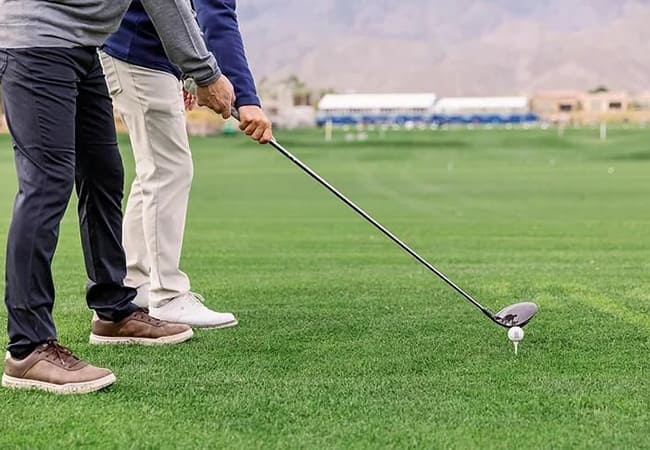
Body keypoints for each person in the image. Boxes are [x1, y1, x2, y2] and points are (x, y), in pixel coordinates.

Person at [0, 0, 236, 394]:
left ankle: (112, 309)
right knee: (46, 186)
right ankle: (28, 348)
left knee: (104, 173)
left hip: (82, 46)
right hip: (37, 43)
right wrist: (205, 73)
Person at [100, 0, 273, 328]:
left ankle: (135, 285)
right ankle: (167, 296)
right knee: (168, 170)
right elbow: (216, 18)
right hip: (137, 52)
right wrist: (246, 99)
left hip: (135, 50)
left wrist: (183, 71)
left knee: (156, 170)